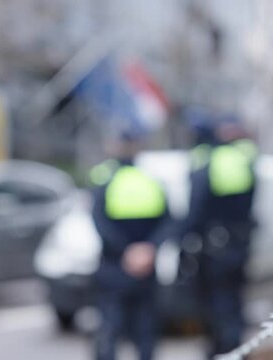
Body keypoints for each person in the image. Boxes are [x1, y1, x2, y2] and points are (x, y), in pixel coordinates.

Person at [179, 120, 258, 357]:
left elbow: (197, 207)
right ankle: (237, 350)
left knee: (216, 303)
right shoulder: (245, 160)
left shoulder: (209, 160)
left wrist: (185, 239)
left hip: (214, 247)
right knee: (234, 301)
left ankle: (223, 351)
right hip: (239, 245)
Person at [91, 132, 171, 360]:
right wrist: (148, 249)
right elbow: (169, 220)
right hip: (145, 269)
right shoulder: (151, 180)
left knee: (109, 330)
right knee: (145, 331)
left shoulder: (105, 179)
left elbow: (99, 222)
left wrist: (126, 251)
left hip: (114, 266)